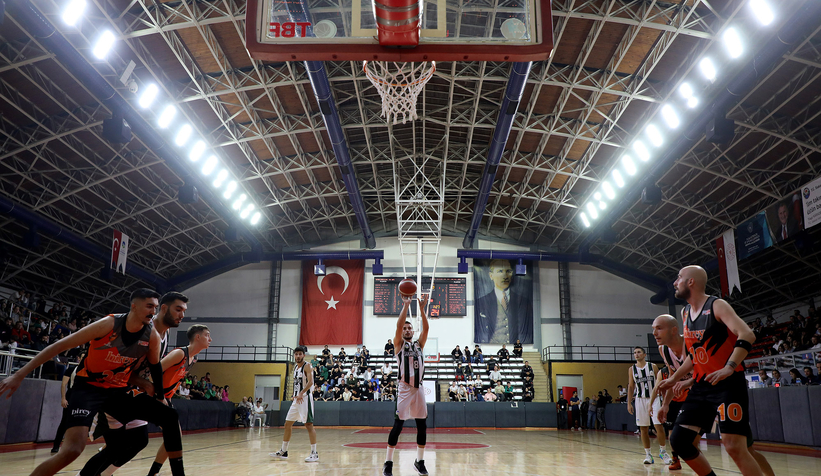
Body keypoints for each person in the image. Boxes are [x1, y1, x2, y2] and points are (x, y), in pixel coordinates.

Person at [0, 289, 186, 476]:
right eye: (149, 306)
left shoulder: (152, 336)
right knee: (72, 450)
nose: (153, 311)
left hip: (118, 391)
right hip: (88, 387)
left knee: (168, 416)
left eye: (155, 307)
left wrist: (160, 397)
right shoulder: (109, 324)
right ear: (134, 306)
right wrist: (20, 374)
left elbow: (155, 368)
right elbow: (58, 346)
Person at [659, 265, 774, 476]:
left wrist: (729, 367)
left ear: (690, 282)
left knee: (735, 447)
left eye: (679, 278)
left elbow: (747, 334)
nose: (675, 283)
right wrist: (676, 378)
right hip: (702, 386)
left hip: (728, 386)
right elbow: (695, 355)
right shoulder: (685, 313)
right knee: (679, 441)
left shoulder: (716, 305)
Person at [80, 325, 211, 476]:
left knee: (137, 441)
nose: (210, 339)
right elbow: (155, 371)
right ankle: (151, 471)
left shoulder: (193, 360)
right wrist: (156, 394)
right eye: (207, 335)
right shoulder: (179, 353)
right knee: (134, 441)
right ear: (198, 337)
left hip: (164, 397)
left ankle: (117, 470)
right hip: (146, 395)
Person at [383, 294, 430, 476]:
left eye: (410, 328)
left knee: (422, 426)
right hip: (404, 388)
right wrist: (405, 305)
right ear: (402, 332)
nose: (408, 329)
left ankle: (420, 462)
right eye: (405, 328)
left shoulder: (419, 344)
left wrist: (422, 309)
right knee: (398, 426)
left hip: (418, 388)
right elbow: (398, 325)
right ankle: (388, 463)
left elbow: (426, 328)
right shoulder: (398, 345)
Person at [652, 313, 694, 471]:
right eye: (653, 329)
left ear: (674, 330)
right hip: (697, 395)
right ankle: (676, 460)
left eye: (659, 328)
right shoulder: (663, 350)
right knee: (678, 438)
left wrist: (688, 382)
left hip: (715, 389)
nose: (654, 333)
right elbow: (672, 378)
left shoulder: (690, 343)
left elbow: (707, 372)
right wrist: (665, 404)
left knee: (736, 445)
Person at [271, 346, 318, 462]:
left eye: (300, 354)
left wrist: (301, 393)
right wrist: (294, 394)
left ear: (303, 355)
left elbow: (311, 382)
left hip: (305, 399)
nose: (298, 356)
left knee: (309, 425)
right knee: (287, 424)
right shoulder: (296, 368)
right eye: (296, 354)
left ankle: (314, 453)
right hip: (297, 399)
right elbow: (297, 384)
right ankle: (284, 451)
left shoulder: (307, 366)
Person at [627, 346, 670, 465]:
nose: (636, 354)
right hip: (640, 400)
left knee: (658, 425)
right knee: (643, 428)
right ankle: (648, 455)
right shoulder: (632, 369)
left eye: (639, 352)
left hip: (654, 398)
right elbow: (631, 387)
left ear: (644, 354)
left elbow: (659, 381)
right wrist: (629, 403)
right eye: (634, 353)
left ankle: (663, 452)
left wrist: (663, 398)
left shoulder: (653, 366)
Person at [474, 259, 533, 344]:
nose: (505, 276)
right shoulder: (481, 302)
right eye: (500, 271)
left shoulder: (524, 302)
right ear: (491, 275)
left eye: (508, 271)